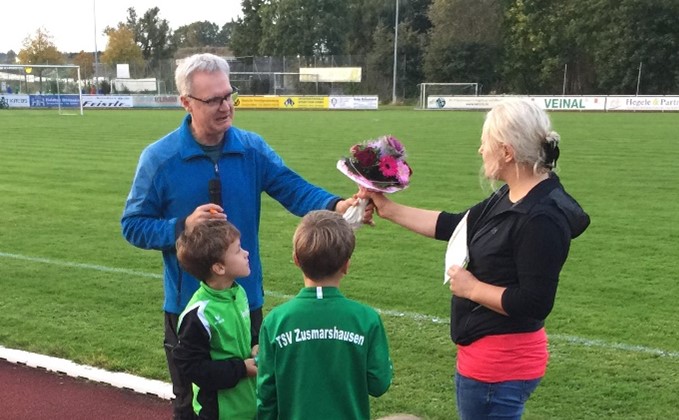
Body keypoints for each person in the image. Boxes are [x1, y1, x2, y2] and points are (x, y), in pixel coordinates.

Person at [120, 53, 359, 419]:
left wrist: (336, 205)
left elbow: (291, 188)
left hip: (247, 303)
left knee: (261, 400)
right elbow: (133, 224)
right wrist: (181, 226)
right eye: (212, 99)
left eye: (229, 95)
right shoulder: (159, 159)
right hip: (190, 309)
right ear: (186, 102)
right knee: (193, 404)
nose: (225, 106)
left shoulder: (251, 148)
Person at [359, 99, 590, 420]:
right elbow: (456, 225)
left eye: (485, 143)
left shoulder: (541, 218)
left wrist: (472, 289)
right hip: (487, 360)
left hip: (502, 366)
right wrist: (388, 209)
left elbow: (535, 302)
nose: (480, 150)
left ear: (507, 152)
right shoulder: (510, 195)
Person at [257, 210, 393, 419]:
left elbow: (267, 392)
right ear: (346, 264)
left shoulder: (276, 321)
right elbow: (379, 383)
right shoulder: (366, 319)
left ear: (296, 260)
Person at [173, 220, 257, 419]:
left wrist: (255, 344)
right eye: (238, 251)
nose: (246, 253)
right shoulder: (198, 315)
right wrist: (241, 369)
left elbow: (244, 331)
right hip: (219, 412)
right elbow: (191, 367)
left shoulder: (238, 292)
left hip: (248, 403)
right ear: (219, 268)